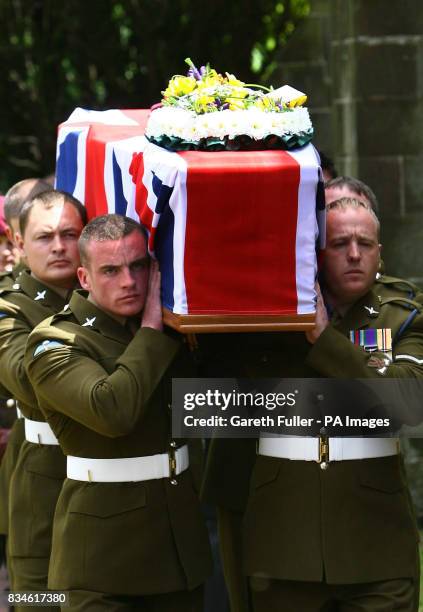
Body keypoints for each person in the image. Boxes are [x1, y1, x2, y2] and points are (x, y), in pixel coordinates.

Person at [25, 214, 212, 611]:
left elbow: (213, 408)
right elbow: (112, 411)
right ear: (84, 278)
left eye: (138, 266)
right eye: (110, 270)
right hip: (101, 564)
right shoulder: (55, 341)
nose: (129, 281)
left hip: (178, 549)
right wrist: (150, 331)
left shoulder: (175, 328)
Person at [0, 189, 86, 607]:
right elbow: (26, 377)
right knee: (41, 601)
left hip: (112, 494)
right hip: (43, 482)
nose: (58, 247)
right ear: (18, 243)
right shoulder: (9, 308)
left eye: (70, 234)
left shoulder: (109, 296)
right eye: (44, 236)